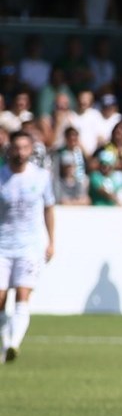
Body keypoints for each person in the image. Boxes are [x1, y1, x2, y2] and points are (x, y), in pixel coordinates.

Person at [0, 131, 55, 364]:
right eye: (16, 148)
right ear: (9, 150)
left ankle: (14, 343)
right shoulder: (1, 176)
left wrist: (51, 241)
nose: (20, 152)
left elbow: (49, 208)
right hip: (2, 245)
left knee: (23, 295)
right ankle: (4, 345)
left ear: (30, 150)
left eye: (24, 147)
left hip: (30, 247)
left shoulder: (41, 177)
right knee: (1, 298)